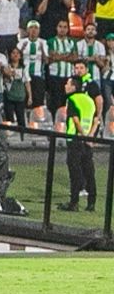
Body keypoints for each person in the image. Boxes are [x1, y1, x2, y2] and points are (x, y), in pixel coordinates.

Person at [60, 75, 97, 212]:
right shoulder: (89, 100)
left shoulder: (72, 99)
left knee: (74, 172)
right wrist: (90, 137)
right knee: (89, 172)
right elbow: (96, 120)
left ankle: (74, 202)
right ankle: (91, 203)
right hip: (87, 141)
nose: (65, 86)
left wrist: (81, 135)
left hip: (75, 140)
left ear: (74, 87)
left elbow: (75, 120)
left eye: (67, 84)